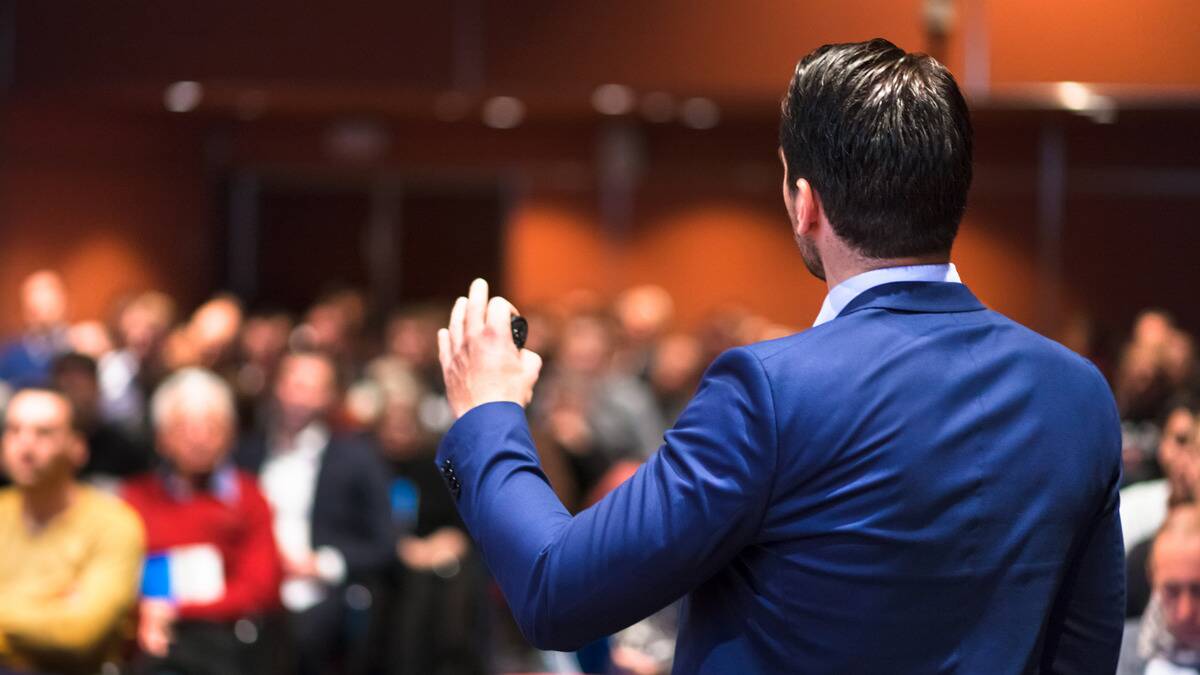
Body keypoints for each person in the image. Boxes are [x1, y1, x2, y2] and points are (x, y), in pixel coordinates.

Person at [433, 38, 1124, 673]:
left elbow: (560, 589)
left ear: (805, 204)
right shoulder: (1080, 393)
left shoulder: (769, 390)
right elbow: (1084, 652)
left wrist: (489, 413)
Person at [234, 350, 392, 675]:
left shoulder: (357, 458)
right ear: (276, 387)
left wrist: (320, 564)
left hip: (321, 595)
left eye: (312, 387)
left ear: (330, 396)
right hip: (252, 592)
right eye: (293, 384)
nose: (300, 397)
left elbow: (384, 545)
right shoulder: (246, 453)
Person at [121, 368, 282, 675]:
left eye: (212, 427)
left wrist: (177, 610)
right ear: (161, 438)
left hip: (227, 642)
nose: (199, 439)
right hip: (149, 641)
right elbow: (118, 580)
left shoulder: (249, 498)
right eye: (185, 427)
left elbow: (260, 588)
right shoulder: (135, 499)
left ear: (231, 435)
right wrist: (144, 613)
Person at [0, 388, 145, 674]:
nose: (25, 447)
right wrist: (51, 604)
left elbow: (79, 633)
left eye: (44, 433)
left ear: (77, 447)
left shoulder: (114, 524)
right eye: (14, 431)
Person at [1119, 506, 1200, 674]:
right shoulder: (1116, 653)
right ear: (1151, 577)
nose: (1185, 612)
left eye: (1198, 591)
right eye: (1171, 591)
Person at [0, 270, 71, 390]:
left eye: (49, 307)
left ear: (65, 305)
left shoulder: (81, 345)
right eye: (35, 310)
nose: (42, 317)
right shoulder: (10, 352)